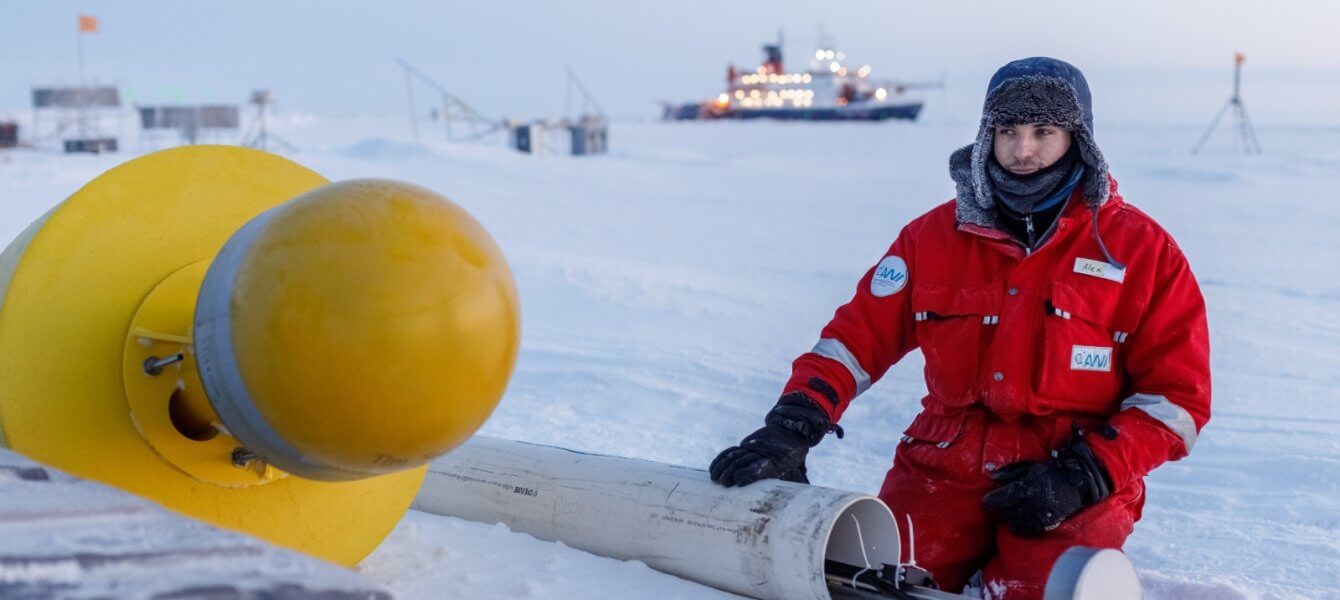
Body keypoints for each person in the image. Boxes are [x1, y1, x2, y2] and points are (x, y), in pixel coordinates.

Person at [709, 57, 1211, 599]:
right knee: (870, 579)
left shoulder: (1142, 251)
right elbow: (854, 341)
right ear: (985, 137)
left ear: (1078, 138)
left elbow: (1176, 401)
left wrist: (1085, 473)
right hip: (943, 464)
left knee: (1045, 590)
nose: (1023, 151)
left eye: (1043, 131)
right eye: (1007, 132)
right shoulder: (931, 238)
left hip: (1073, 472)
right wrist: (794, 423)